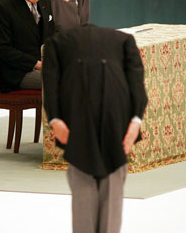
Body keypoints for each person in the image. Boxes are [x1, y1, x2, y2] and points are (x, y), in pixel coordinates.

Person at [42, 24, 148, 233]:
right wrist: (136, 120)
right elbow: (137, 86)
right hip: (112, 124)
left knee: (84, 192)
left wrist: (55, 119)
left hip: (85, 125)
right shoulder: (124, 41)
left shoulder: (56, 43)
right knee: (110, 191)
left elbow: (50, 84)